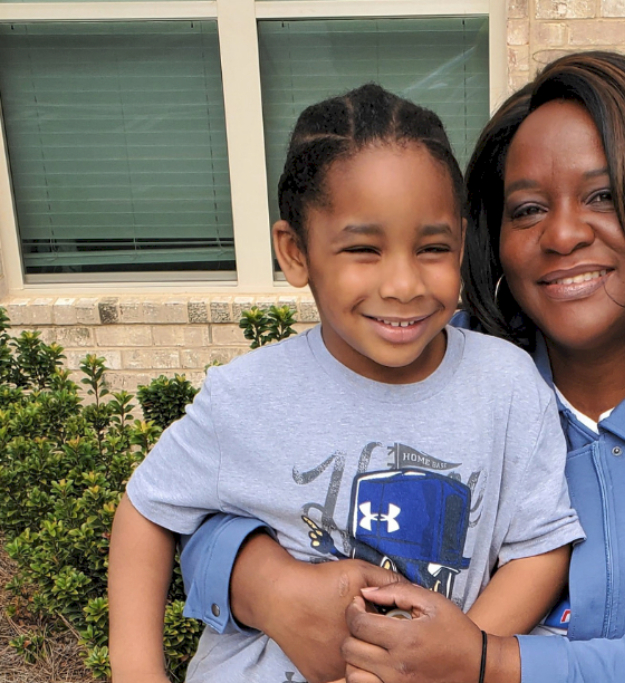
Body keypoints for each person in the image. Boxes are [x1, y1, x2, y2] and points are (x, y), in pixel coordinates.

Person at [179, 51, 625, 683]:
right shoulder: (437, 365)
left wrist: (484, 662)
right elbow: (214, 508)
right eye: (527, 209)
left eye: (605, 196)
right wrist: (265, 581)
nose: (561, 235)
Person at [107, 84, 584, 683]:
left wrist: (458, 657)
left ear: (462, 241)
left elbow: (540, 548)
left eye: (432, 247)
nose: (404, 283)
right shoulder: (246, 395)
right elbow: (146, 514)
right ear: (295, 251)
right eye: (364, 248)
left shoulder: (507, 385)